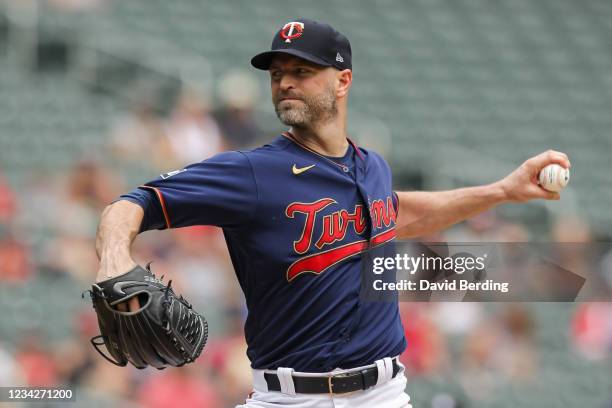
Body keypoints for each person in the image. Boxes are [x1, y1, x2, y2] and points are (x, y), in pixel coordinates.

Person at [94, 18, 571, 408]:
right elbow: (131, 204)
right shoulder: (253, 172)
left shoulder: (372, 167)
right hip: (288, 399)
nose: (284, 82)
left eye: (301, 71)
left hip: (384, 395)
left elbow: (400, 215)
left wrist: (502, 191)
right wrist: (115, 256)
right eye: (278, 72)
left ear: (342, 81)